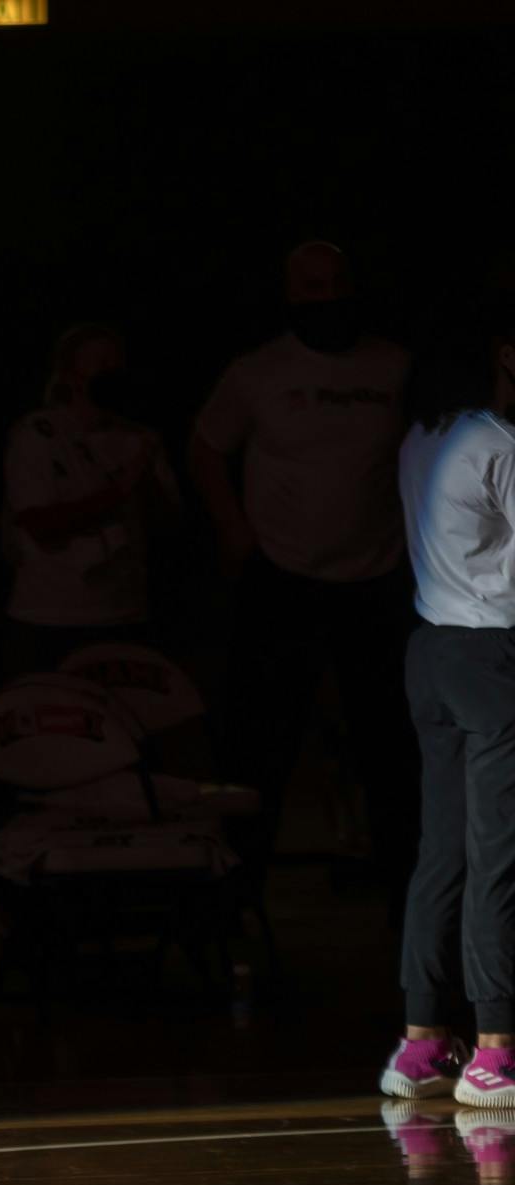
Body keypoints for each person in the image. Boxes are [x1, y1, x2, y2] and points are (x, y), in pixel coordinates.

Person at [188, 241, 418, 912]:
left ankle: (409, 900)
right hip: (282, 578)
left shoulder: (394, 365)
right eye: (312, 288)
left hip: (375, 578)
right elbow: (205, 446)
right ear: (292, 295)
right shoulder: (257, 371)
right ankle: (235, 897)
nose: (326, 300)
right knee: (258, 742)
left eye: (336, 285)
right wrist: (234, 527)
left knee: (390, 747)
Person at [382, 299, 515, 1109]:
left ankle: (422, 1038)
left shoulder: (420, 436)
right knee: (496, 849)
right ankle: (497, 1049)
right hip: (488, 655)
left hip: (430, 650)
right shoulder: (498, 443)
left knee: (444, 850)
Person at [1, 324, 178, 674]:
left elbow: (166, 523)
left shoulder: (138, 439)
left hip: (123, 614)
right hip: (51, 618)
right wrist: (119, 490)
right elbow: (42, 524)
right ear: (71, 375)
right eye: (101, 363)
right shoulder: (38, 435)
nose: (112, 372)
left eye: (117, 363)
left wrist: (145, 480)